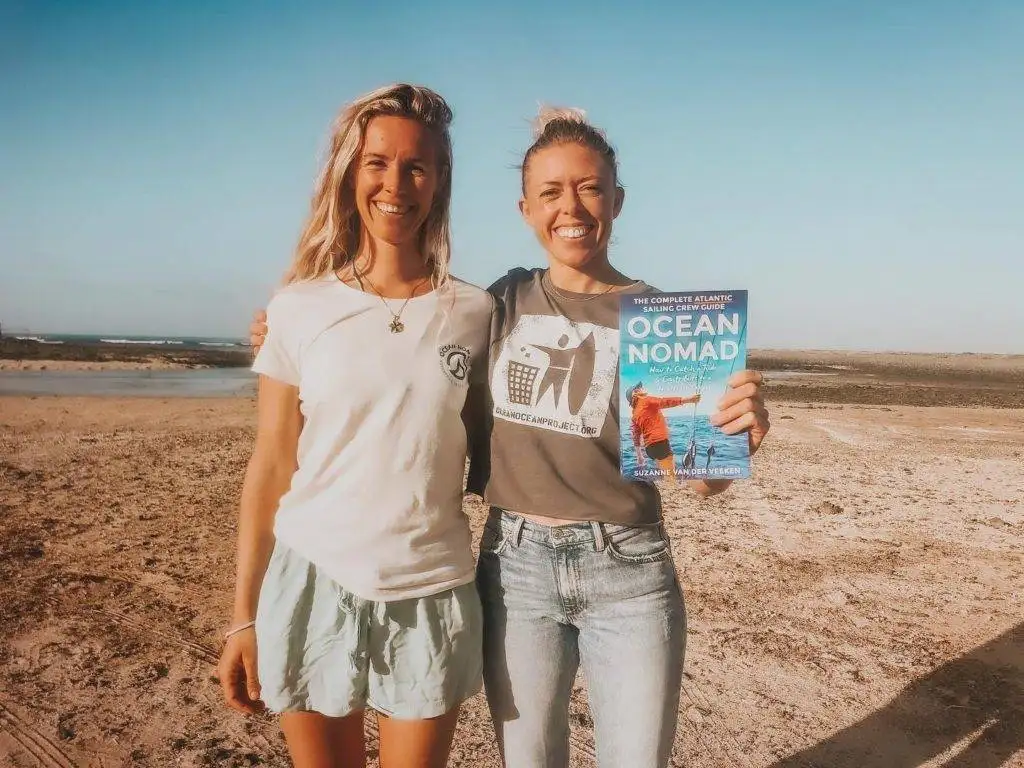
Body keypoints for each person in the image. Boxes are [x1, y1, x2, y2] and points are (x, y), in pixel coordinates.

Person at [251, 106, 771, 768]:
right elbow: (403, 335)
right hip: (516, 566)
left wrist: (738, 438)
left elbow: (699, 473)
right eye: (551, 192)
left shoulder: (664, 323)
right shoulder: (497, 304)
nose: (572, 207)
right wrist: (284, 333)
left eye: (589, 187)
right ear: (526, 209)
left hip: (630, 569)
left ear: (618, 199)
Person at [218, 83, 494, 768]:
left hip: (432, 588)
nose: (395, 183)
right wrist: (244, 616)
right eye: (377, 162)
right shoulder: (298, 308)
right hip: (312, 582)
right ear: (351, 172)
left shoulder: (479, 312)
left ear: (440, 181)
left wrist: (693, 423)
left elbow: (528, 429)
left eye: (416, 166)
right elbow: (272, 465)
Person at [626, 381, 701, 476]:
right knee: (670, 475)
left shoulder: (634, 415)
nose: (641, 388)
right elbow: (663, 402)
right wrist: (687, 400)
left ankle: (669, 483)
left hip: (650, 449)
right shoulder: (645, 400)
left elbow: (635, 437)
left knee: (664, 471)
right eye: (638, 387)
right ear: (635, 393)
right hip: (660, 444)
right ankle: (672, 486)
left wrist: (639, 456)